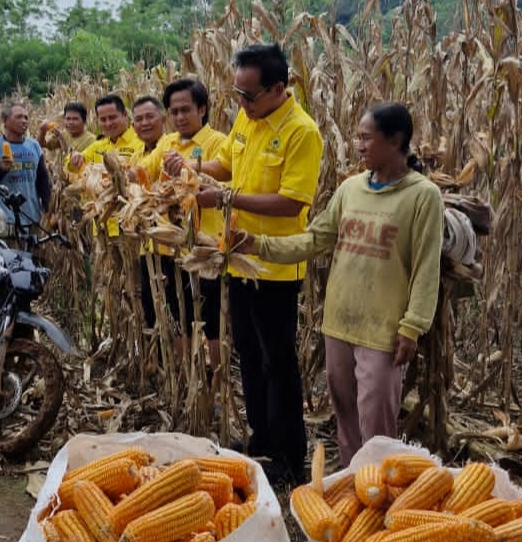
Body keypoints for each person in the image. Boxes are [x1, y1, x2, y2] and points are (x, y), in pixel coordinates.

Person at [235, 103, 445, 467]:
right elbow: (314, 240)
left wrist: (412, 326)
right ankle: (352, 488)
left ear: (395, 139)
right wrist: (258, 245)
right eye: (357, 137)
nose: (358, 145)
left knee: (376, 426)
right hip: (340, 322)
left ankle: (380, 492)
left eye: (366, 137)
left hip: (384, 328)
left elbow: (427, 268)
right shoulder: (350, 189)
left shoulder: (423, 196)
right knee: (345, 415)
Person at [165, 43, 323, 485]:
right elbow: (228, 163)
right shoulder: (246, 117)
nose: (240, 103)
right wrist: (193, 168)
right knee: (249, 356)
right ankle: (261, 442)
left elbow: (292, 203)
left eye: (248, 96)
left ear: (278, 88)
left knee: (279, 362)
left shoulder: (300, 132)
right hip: (236, 256)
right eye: (235, 94)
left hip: (274, 267)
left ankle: (290, 456)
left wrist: (225, 198)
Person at [138, 79, 226, 371]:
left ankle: (215, 384)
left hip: (207, 247)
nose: (178, 117)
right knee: (179, 314)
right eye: (173, 111)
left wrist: (191, 168)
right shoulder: (166, 143)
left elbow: (226, 178)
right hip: (171, 247)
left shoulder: (218, 143)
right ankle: (187, 377)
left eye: (185, 110)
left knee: (213, 321)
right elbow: (143, 173)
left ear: (202, 109)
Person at [0, 103, 50, 228]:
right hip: (6, 221)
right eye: (18, 117)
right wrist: (1, 170)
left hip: (33, 218)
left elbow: (42, 179)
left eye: (26, 118)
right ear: (5, 121)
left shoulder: (34, 146)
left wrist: (48, 208)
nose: (24, 121)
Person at [68, 94, 144, 172]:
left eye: (112, 117)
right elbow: (71, 168)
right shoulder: (98, 146)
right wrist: (74, 157)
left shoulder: (141, 142)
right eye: (103, 119)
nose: (108, 124)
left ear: (125, 115)